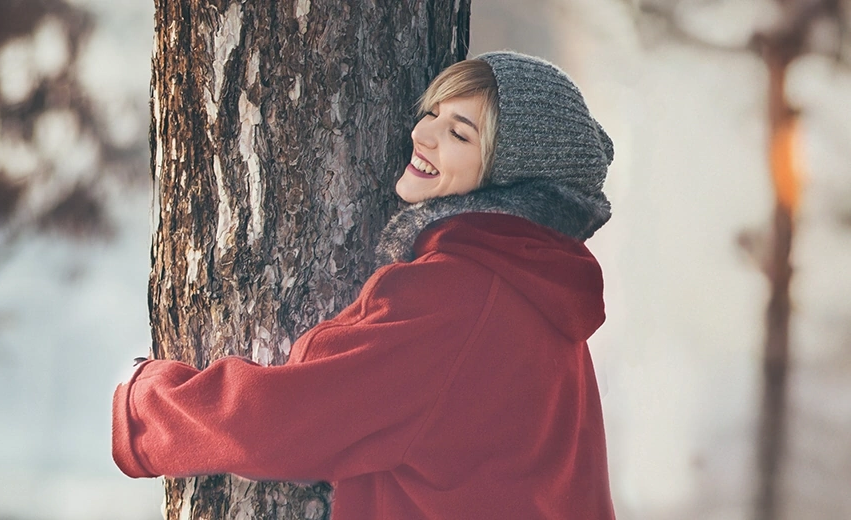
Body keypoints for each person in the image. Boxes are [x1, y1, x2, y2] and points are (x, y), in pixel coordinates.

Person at [109, 51, 616, 519]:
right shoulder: (540, 298)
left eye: (460, 134)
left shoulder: (457, 297)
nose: (423, 135)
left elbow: (278, 425)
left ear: (512, 180)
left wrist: (142, 405)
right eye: (433, 113)